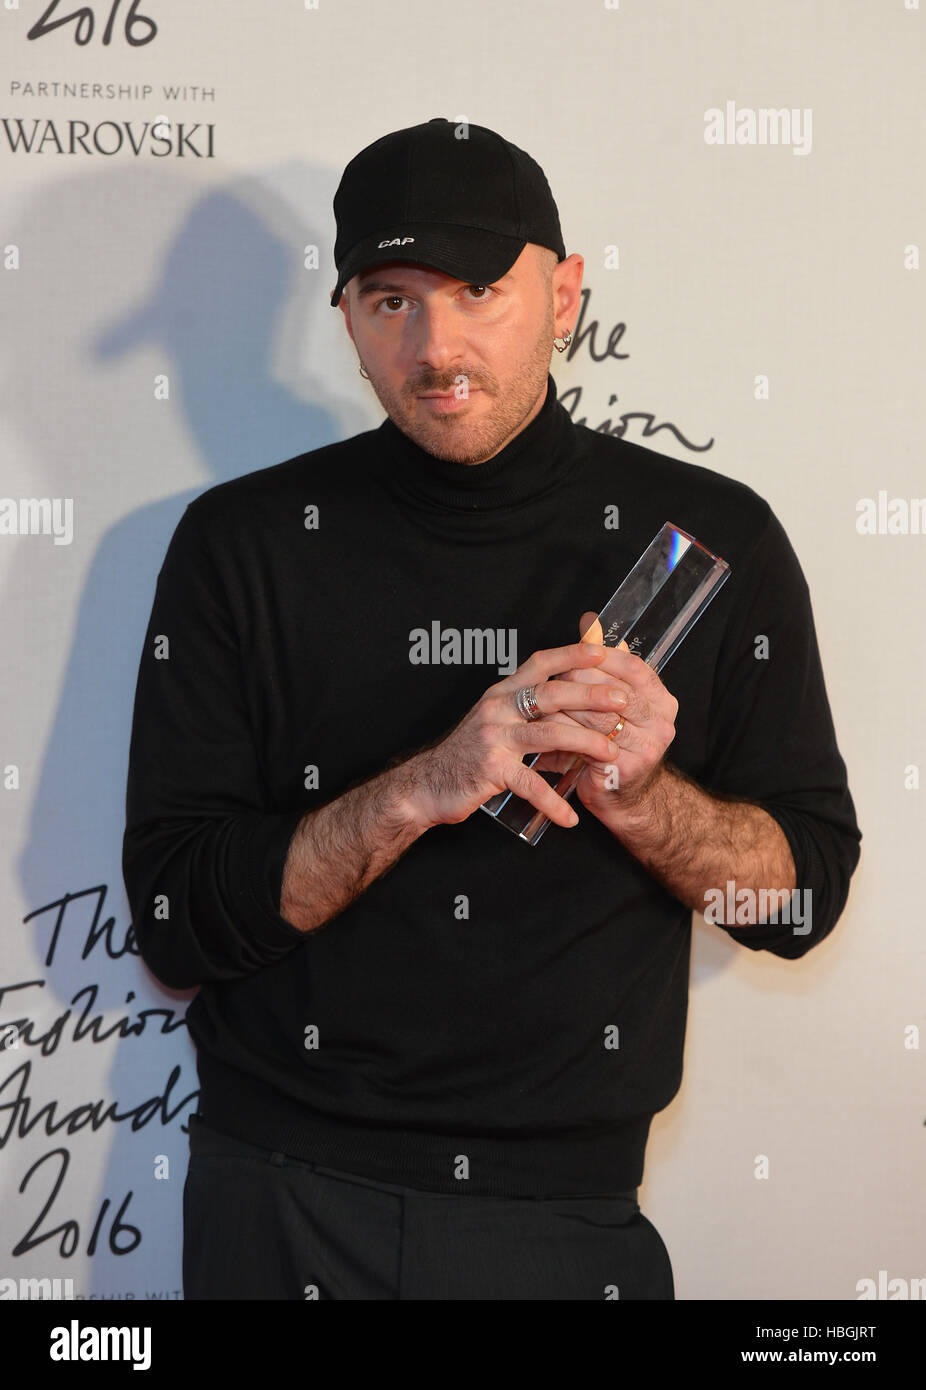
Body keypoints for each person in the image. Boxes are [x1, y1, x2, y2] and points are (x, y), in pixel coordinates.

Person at [122, 117, 862, 1300]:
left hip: (561, 1223)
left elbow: (796, 898)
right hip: (282, 1200)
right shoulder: (244, 544)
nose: (436, 344)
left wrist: (636, 794)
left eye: (477, 289)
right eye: (390, 298)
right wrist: (425, 785)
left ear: (564, 294)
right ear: (346, 318)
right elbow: (174, 925)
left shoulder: (710, 541)